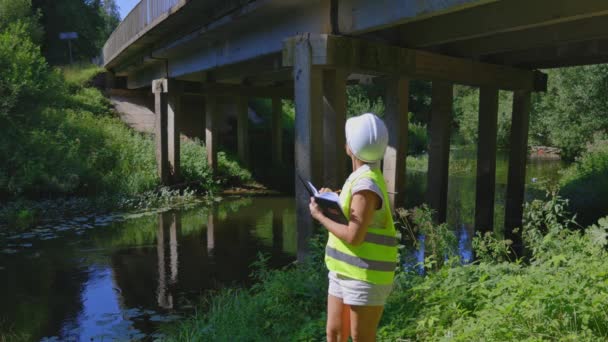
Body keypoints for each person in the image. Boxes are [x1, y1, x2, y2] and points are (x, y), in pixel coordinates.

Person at [309, 113, 398, 342]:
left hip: (365, 276)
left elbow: (353, 236)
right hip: (343, 270)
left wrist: (320, 215)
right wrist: (334, 200)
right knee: (335, 334)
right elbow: (356, 215)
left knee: (361, 338)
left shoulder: (366, 185)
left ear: (351, 147)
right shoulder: (361, 177)